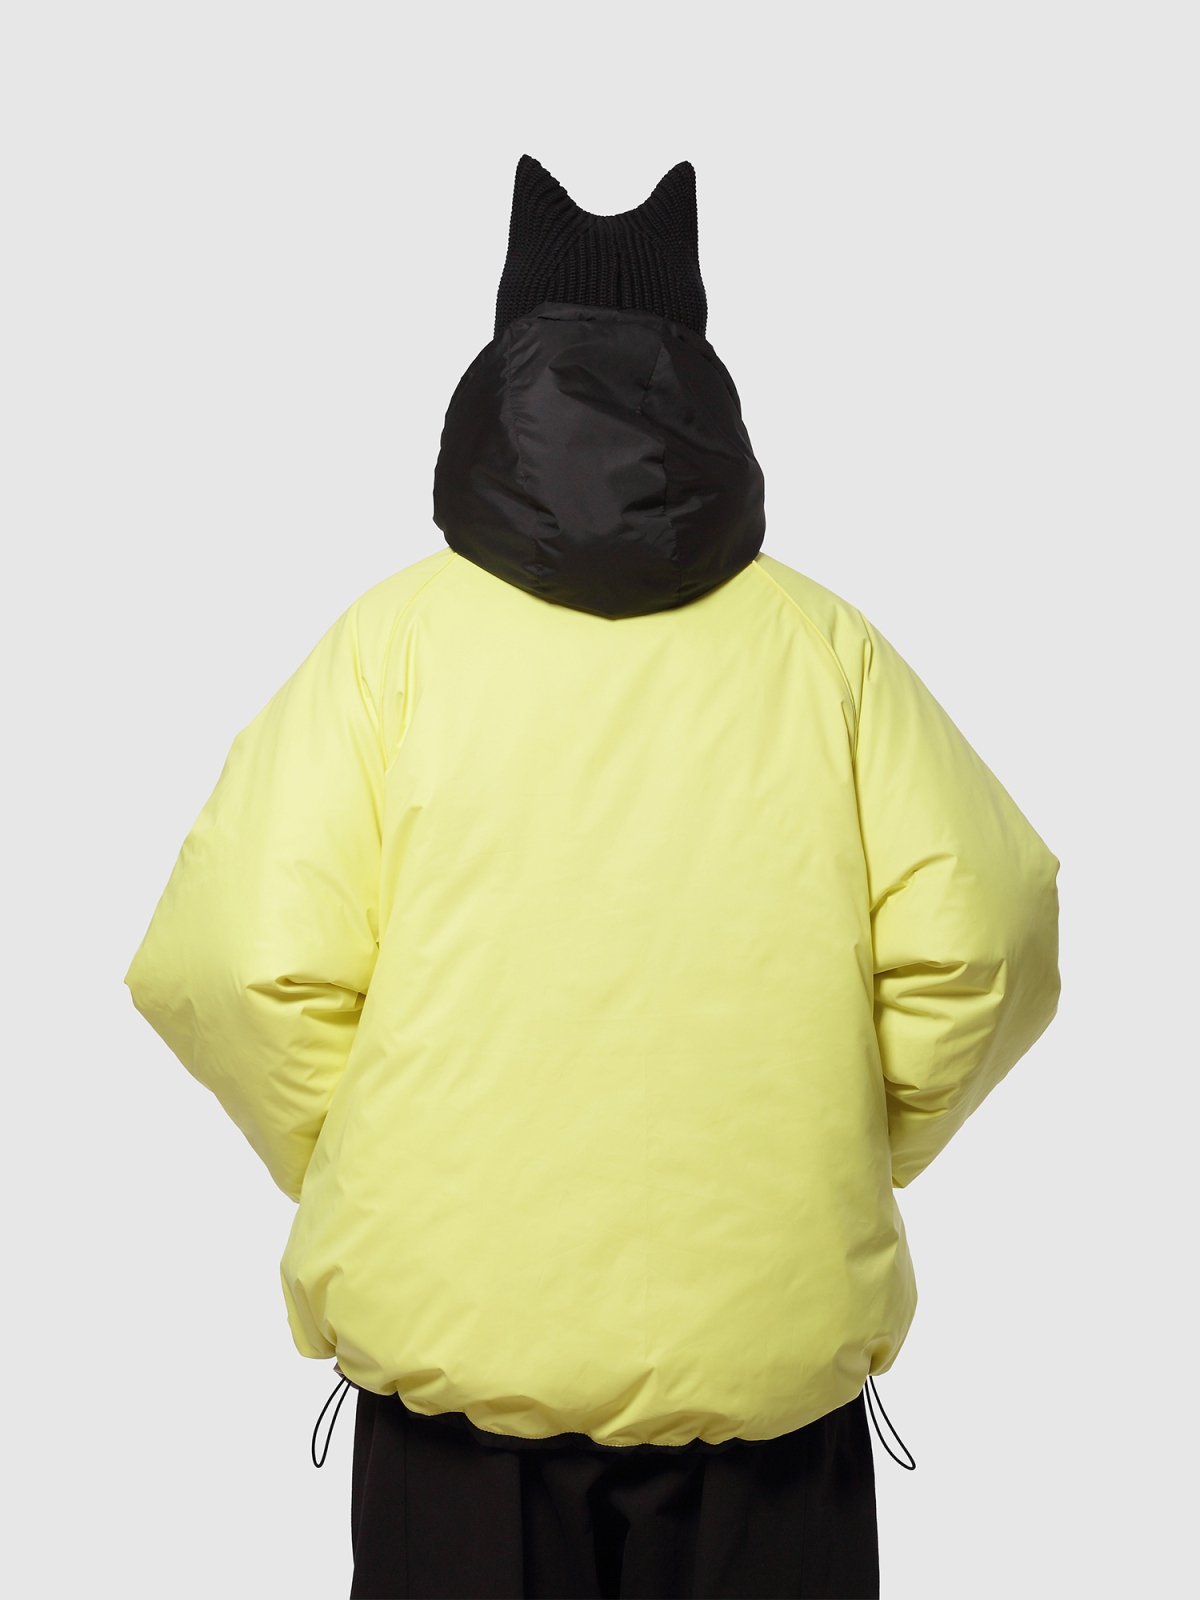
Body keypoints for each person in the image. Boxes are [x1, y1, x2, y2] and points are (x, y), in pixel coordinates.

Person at [126, 155, 1060, 1599]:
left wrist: (382, 1157)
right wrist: (826, 1140)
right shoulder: (826, 656)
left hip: (455, 1406)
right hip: (765, 1401)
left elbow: (231, 960)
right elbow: (989, 938)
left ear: (503, 352)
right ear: (700, 362)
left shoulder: (390, 652)